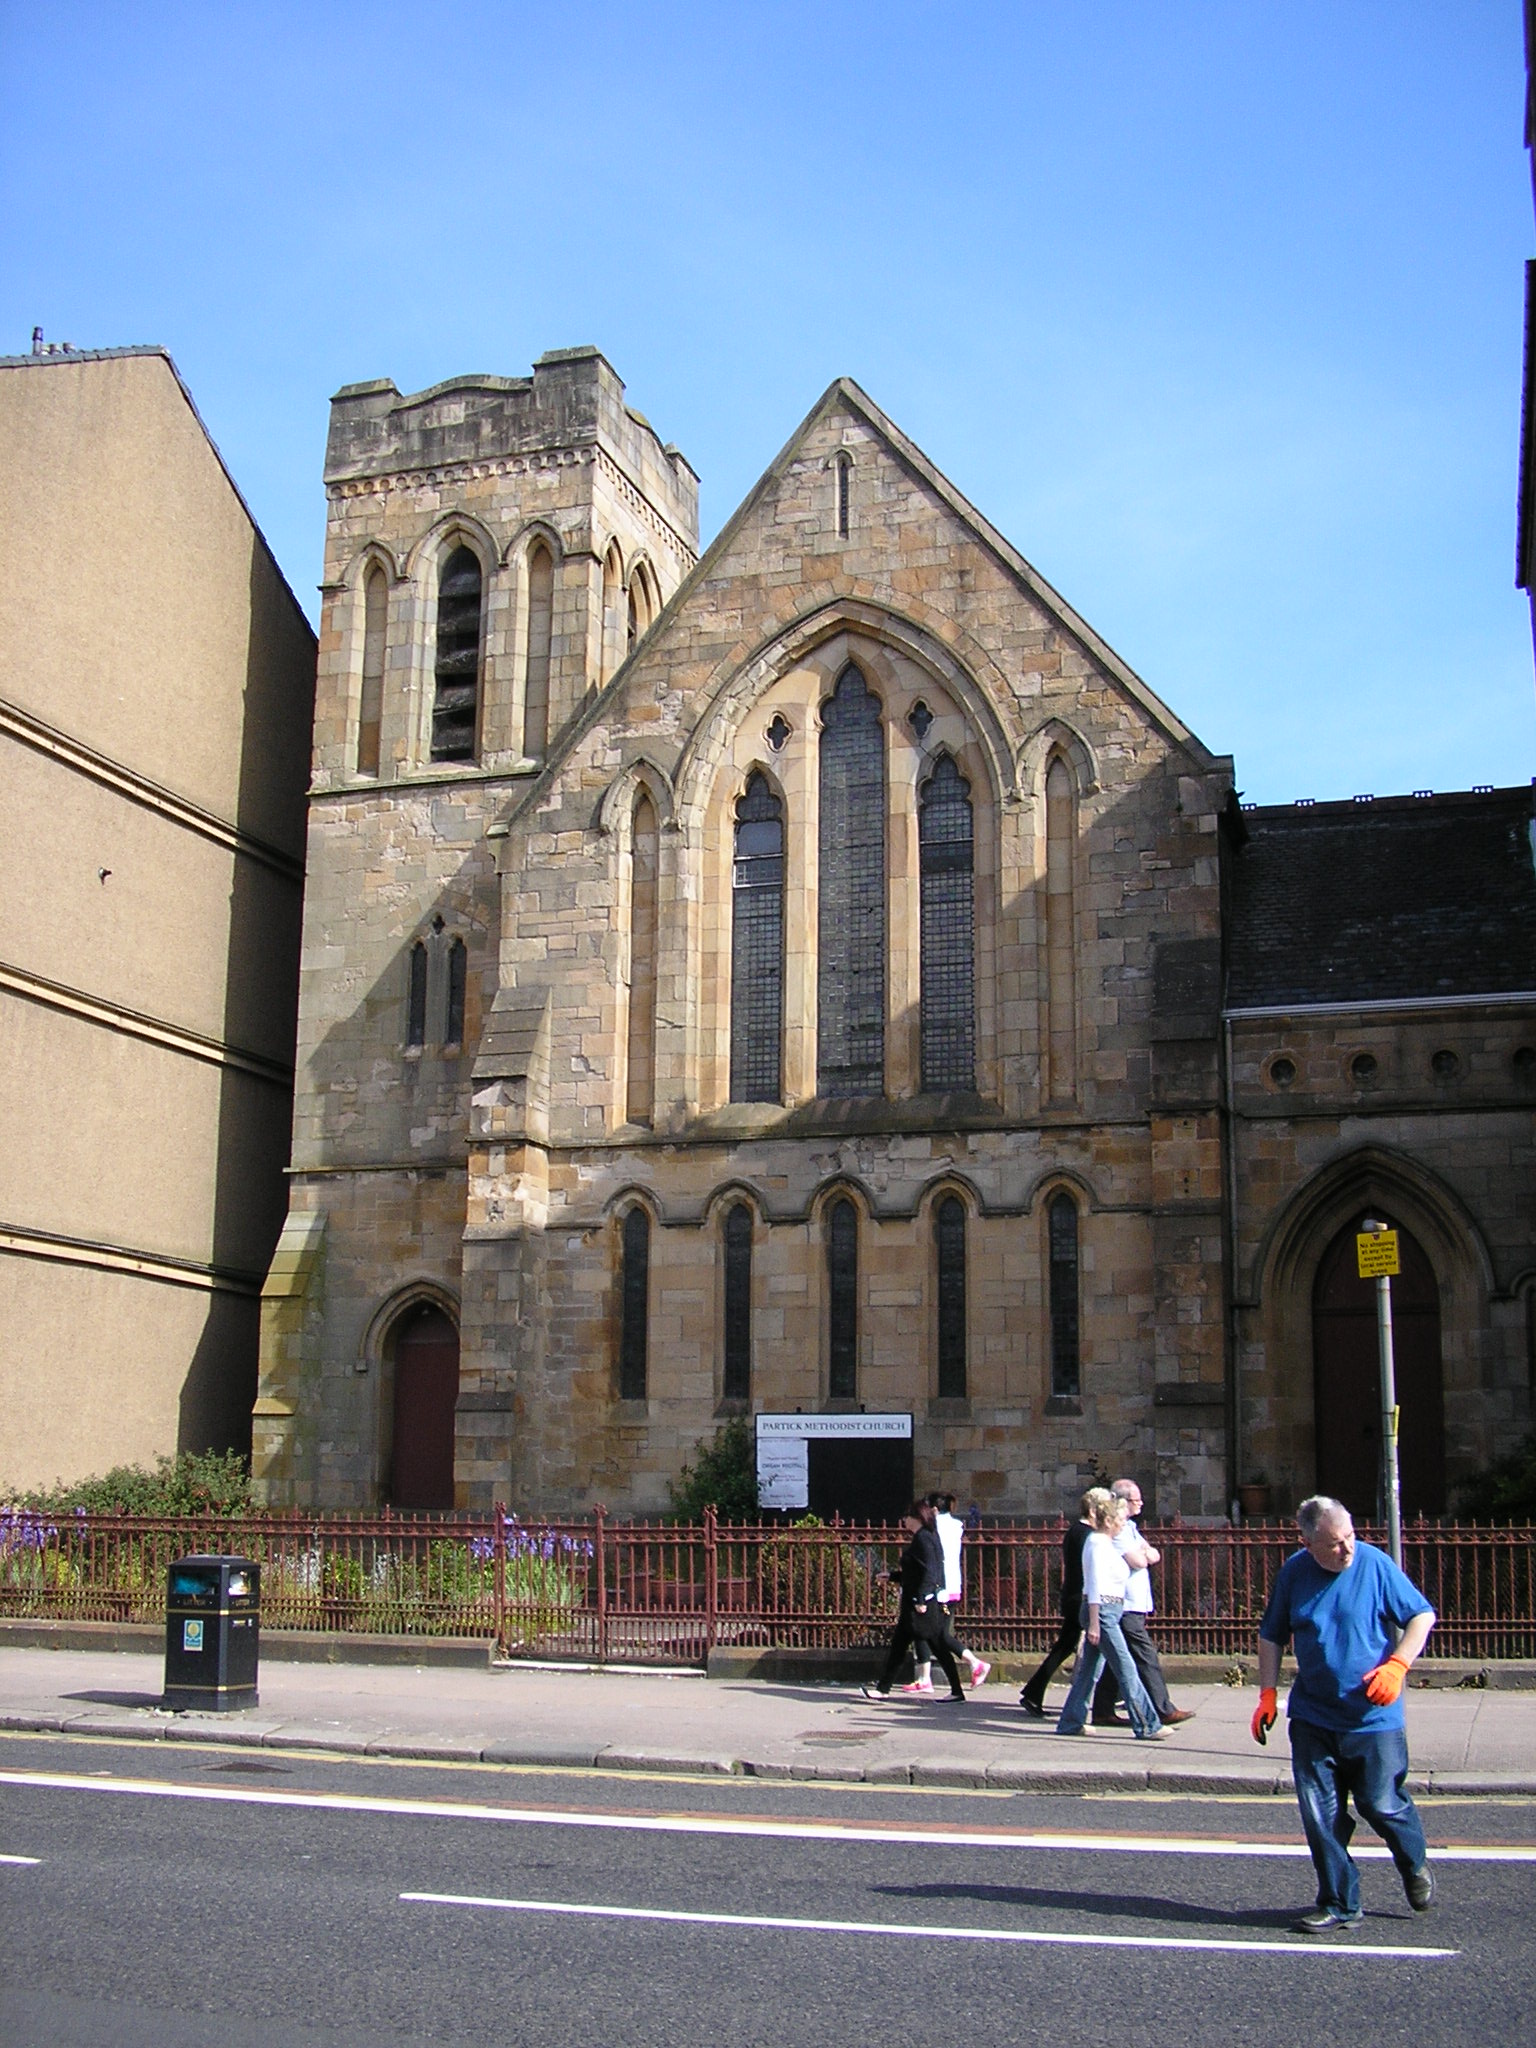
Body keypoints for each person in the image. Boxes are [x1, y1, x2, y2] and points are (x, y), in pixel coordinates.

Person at [1253, 1495, 1437, 1934]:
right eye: (1335, 1543)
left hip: (1372, 1718)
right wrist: (1266, 1694)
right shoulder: (1295, 1572)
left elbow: (1421, 1616)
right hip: (1314, 1718)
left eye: (1350, 1536)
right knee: (1322, 1816)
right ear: (1308, 1543)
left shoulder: (1374, 1565)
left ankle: (1413, 1862)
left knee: (1381, 1804)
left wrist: (1398, 1665)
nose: (1347, 1548)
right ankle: (1340, 1902)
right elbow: (1271, 1635)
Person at [1055, 1488, 1166, 1738]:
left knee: (1088, 1673)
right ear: (1109, 1521)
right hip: (1102, 1611)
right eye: (1120, 1520)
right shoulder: (1096, 1543)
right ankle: (1148, 1725)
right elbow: (1094, 1583)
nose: (1123, 1524)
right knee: (1126, 1668)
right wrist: (1095, 1623)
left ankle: (1070, 1722)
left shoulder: (1105, 1543)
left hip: (1109, 1610)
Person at [1087, 1478, 1194, 1728]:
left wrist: (1144, 1554)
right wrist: (1144, 1555)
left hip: (1135, 1601)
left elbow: (1152, 1554)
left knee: (1118, 1658)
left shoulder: (1130, 1527)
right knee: (1145, 1655)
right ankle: (1162, 1709)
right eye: (1136, 1500)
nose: (1141, 1503)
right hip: (1125, 1603)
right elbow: (1139, 1560)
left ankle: (1102, 1710)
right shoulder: (1118, 1530)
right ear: (1122, 1501)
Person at [861, 1499, 967, 1702]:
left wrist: (921, 1600)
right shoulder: (925, 1537)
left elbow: (930, 1572)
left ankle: (956, 1691)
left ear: (917, 1518)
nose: (904, 1520)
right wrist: (893, 1576)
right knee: (902, 1647)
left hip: (920, 1605)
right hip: (915, 1602)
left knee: (936, 1646)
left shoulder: (924, 1539)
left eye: (907, 1517)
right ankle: (883, 1689)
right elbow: (915, 1572)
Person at [899, 1493, 991, 1694]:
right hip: (953, 1586)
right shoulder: (956, 1526)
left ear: (932, 1509)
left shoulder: (932, 1529)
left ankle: (972, 1663)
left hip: (936, 1587)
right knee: (931, 1632)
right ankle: (926, 1677)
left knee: (931, 1632)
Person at [1019, 1493, 1093, 1717]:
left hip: (1073, 1594)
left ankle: (1033, 1692)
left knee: (1065, 1646)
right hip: (1079, 1597)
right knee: (1067, 1647)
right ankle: (1034, 1692)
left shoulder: (1075, 1531)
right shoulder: (1086, 1534)